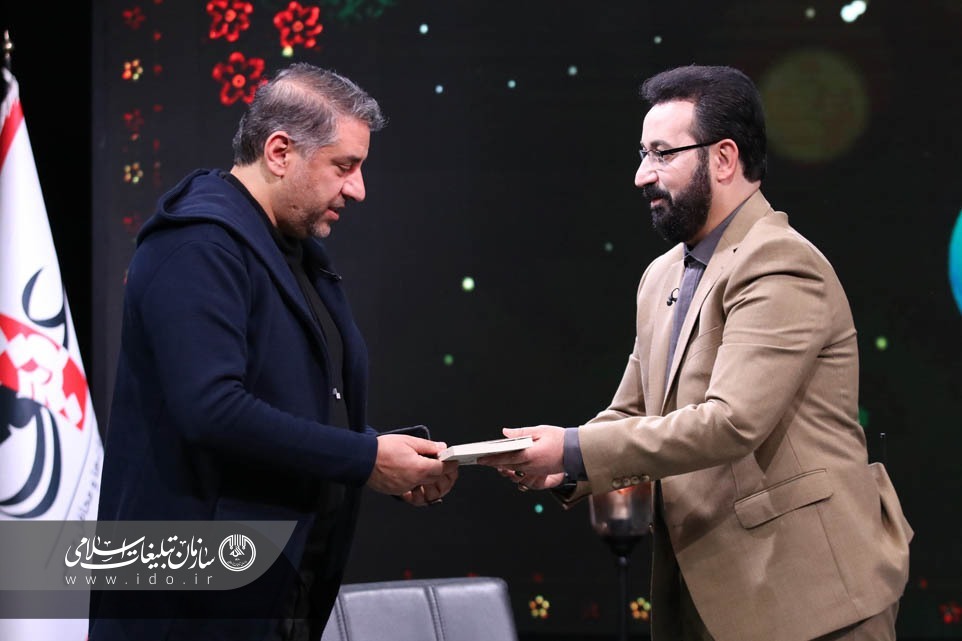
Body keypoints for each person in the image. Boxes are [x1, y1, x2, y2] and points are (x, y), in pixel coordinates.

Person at [480, 65, 913, 641]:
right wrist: (563, 464)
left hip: (812, 599)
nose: (642, 175)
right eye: (643, 154)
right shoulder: (661, 275)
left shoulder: (779, 262)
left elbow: (732, 422)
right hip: (713, 594)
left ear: (724, 158)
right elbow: (633, 412)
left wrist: (577, 448)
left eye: (662, 154)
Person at [90, 62, 458, 641]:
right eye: (345, 166)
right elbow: (212, 411)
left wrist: (381, 453)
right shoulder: (195, 245)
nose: (358, 189)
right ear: (280, 152)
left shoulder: (294, 251)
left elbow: (287, 408)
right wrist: (364, 458)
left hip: (269, 589)